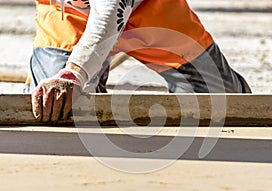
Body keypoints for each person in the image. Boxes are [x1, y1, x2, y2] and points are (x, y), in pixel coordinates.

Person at [29, 0, 251, 123]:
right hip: (69, 16)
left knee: (220, 98)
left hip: (152, 10)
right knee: (56, 104)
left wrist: (74, 73)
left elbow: (108, 16)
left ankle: (231, 85)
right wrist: (68, 76)